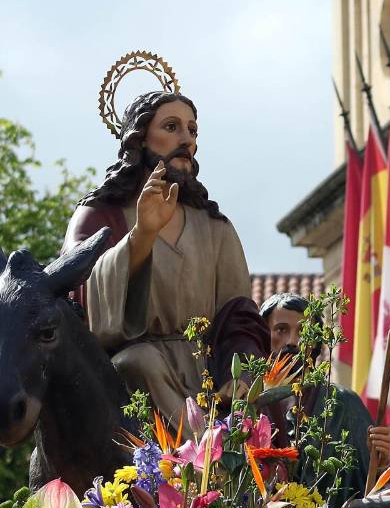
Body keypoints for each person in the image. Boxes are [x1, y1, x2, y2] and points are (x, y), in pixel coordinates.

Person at [63, 90, 268, 424]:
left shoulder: (215, 228)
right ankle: (202, 465)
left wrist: (240, 373)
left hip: (208, 375)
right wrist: (142, 234)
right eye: (172, 127)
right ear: (139, 139)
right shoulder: (100, 215)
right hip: (126, 379)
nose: (186, 139)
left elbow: (239, 316)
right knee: (140, 361)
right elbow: (76, 292)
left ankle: (213, 462)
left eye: (192, 130)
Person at [259, 292, 390, 507]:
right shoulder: (249, 406)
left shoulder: (344, 404)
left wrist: (380, 464)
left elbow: (380, 501)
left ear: (317, 342)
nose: (293, 341)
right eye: (281, 330)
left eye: (304, 331)